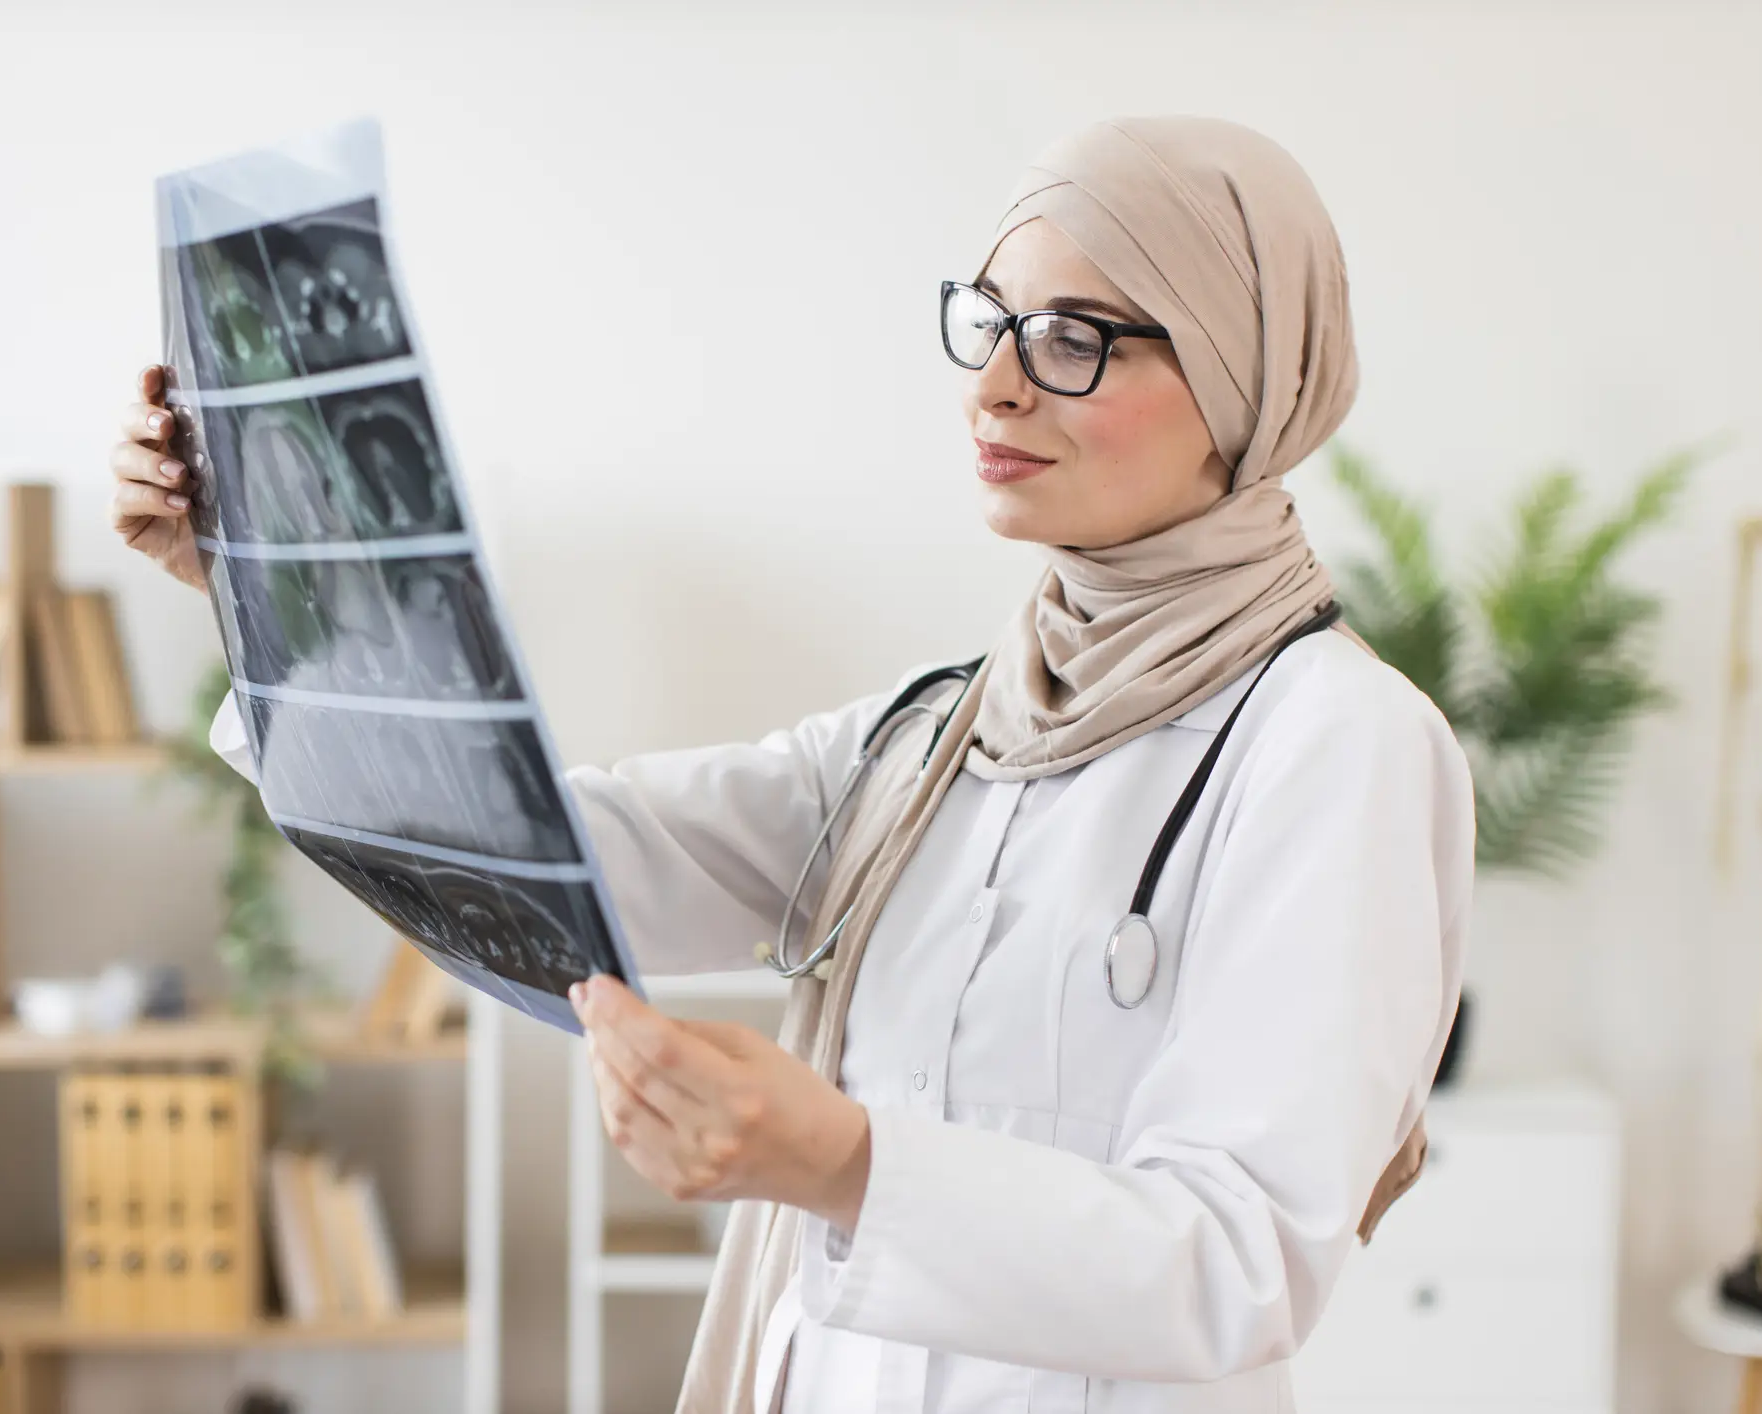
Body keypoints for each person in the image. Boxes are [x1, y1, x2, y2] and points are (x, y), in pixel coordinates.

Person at [109, 115, 1472, 1414]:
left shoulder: (1338, 741)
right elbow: (548, 863)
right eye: (990, 321)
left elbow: (1242, 1255)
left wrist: (842, 1161)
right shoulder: (941, 731)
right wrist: (270, 589)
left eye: (1071, 339)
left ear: (1244, 375)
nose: (994, 382)